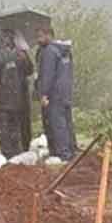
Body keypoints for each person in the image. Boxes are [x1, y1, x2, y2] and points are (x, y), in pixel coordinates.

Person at [0, 28, 34, 158]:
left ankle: (9, 158)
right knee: (15, 131)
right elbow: (25, 73)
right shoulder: (14, 55)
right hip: (17, 101)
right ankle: (18, 157)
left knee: (3, 132)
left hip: (2, 103)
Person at [35, 25, 76, 160]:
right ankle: (70, 151)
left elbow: (48, 75)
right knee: (67, 123)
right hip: (66, 92)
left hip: (54, 94)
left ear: (49, 35)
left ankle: (62, 154)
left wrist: (43, 94)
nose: (38, 39)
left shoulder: (49, 52)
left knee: (57, 124)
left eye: (40, 36)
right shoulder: (65, 51)